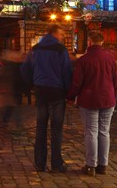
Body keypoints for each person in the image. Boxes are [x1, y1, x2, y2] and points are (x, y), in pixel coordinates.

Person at [21, 24, 73, 173]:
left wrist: (32, 83)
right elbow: (66, 71)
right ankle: (56, 164)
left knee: (41, 128)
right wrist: (68, 92)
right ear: (55, 34)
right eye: (62, 34)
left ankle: (40, 163)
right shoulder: (60, 50)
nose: (63, 37)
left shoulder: (36, 49)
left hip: (41, 91)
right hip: (57, 92)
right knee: (56, 129)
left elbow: (24, 69)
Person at [68, 31, 117, 177]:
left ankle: (91, 165)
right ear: (102, 42)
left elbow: (77, 82)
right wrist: (114, 97)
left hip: (89, 99)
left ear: (89, 42)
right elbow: (114, 80)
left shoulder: (83, 60)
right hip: (108, 99)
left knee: (91, 132)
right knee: (104, 132)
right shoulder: (110, 58)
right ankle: (103, 165)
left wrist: (70, 97)